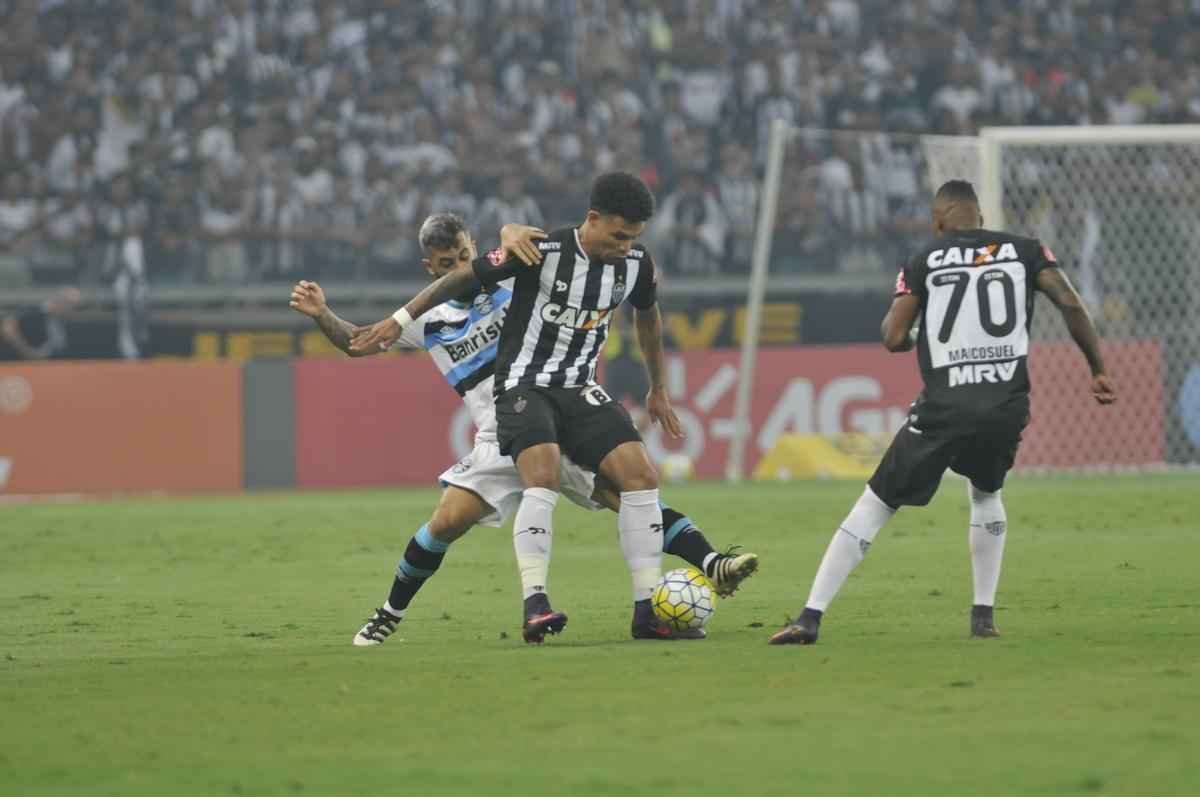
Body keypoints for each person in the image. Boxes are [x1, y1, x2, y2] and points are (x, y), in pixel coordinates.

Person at [291, 212, 757, 645]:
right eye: (445, 264)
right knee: (444, 524)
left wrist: (512, 231)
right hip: (498, 437)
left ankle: (711, 562)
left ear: (473, 246)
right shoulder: (428, 320)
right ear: (429, 267)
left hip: (553, 413)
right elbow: (359, 343)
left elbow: (556, 247)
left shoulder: (518, 280)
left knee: (627, 493)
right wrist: (322, 316)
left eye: (463, 256)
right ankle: (388, 614)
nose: (457, 266)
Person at [770, 180, 1117, 646]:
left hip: (945, 406)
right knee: (987, 492)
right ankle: (983, 617)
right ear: (980, 216)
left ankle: (809, 618)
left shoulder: (924, 260)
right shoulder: (1027, 251)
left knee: (876, 502)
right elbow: (1070, 302)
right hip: (1005, 405)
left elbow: (892, 337)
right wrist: (1097, 368)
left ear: (939, 221)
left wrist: (917, 337)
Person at [0, 287, 82, 361]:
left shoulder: (62, 321)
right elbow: (7, 327)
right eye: (73, 307)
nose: (74, 312)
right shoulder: (34, 311)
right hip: (19, 364)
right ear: (61, 302)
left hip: (51, 365)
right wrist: (25, 350)